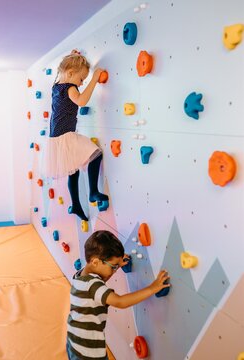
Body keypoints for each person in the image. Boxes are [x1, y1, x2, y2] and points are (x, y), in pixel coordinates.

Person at [66, 230, 170, 359]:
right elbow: (120, 302)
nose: (114, 271)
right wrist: (152, 288)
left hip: (74, 341)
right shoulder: (93, 286)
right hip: (88, 351)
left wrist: (117, 264)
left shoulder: (81, 275)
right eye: (113, 266)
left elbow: (99, 281)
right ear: (95, 262)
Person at [45, 50, 108, 221]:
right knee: (96, 154)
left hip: (56, 137)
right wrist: (94, 78)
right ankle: (93, 191)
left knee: (73, 171)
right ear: (71, 74)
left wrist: (70, 56)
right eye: (81, 79)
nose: (81, 84)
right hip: (66, 136)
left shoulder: (56, 86)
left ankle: (76, 205)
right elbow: (81, 101)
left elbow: (62, 69)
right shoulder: (70, 88)